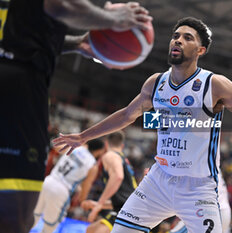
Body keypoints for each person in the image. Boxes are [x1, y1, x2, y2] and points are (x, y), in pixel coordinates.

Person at [53, 17, 232, 233]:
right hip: (158, 181)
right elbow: (127, 115)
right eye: (175, 36)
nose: (178, 40)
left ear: (201, 49)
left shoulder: (214, 84)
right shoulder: (155, 83)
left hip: (199, 188)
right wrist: (83, 137)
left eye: (187, 38)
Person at [0, 0, 151, 232]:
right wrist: (112, 19)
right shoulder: (100, 160)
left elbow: (21, 38)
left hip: (16, 79)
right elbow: (57, 5)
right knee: (15, 216)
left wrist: (78, 43)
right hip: (19, 91)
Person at [32, 139, 106, 233]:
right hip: (61, 190)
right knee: (50, 226)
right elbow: (85, 189)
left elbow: (56, 146)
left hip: (48, 181)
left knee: (33, 216)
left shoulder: (77, 147)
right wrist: (83, 201)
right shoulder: (93, 166)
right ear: (99, 151)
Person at [81, 131, 137, 233]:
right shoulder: (124, 161)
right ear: (122, 145)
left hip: (128, 211)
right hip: (127, 208)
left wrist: (98, 205)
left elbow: (118, 177)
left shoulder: (110, 155)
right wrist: (98, 204)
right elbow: (122, 198)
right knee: (90, 230)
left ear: (106, 144)